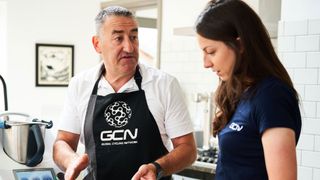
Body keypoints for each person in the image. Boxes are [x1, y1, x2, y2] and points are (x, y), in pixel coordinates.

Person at [53, 6, 197, 180]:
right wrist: (71, 161)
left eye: (133, 37)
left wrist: (157, 167)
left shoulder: (164, 84)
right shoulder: (80, 85)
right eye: (118, 38)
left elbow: (188, 149)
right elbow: (62, 142)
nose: (129, 47)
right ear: (97, 44)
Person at [195, 0, 302, 179]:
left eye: (211, 52)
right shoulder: (240, 92)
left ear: (240, 45)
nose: (206, 63)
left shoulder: (272, 97)